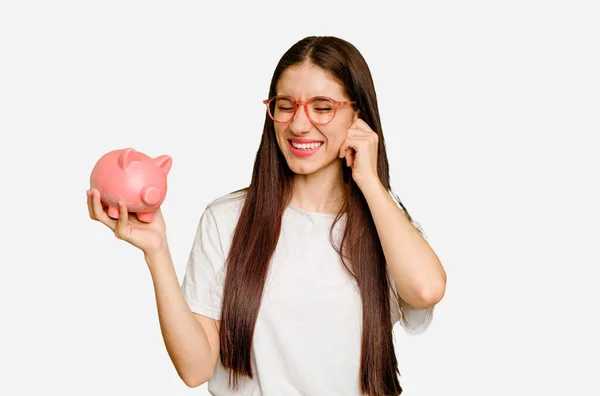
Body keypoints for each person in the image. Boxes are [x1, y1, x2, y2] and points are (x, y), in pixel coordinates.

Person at [87, 35, 447, 396]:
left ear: (359, 116)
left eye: (322, 107)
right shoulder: (228, 219)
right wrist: (157, 251)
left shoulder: (386, 227)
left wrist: (368, 181)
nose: (299, 125)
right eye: (286, 105)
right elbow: (195, 369)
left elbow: (427, 290)